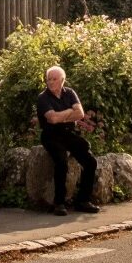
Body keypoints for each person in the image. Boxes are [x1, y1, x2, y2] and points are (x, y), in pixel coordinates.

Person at [37, 65, 99, 217]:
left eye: (54, 79)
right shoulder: (43, 97)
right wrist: (70, 112)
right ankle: (59, 203)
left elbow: (80, 114)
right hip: (51, 135)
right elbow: (52, 118)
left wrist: (63, 116)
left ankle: (82, 200)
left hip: (68, 133)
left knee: (91, 162)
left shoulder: (70, 93)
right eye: (48, 79)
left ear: (62, 80)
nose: (50, 82)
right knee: (61, 162)